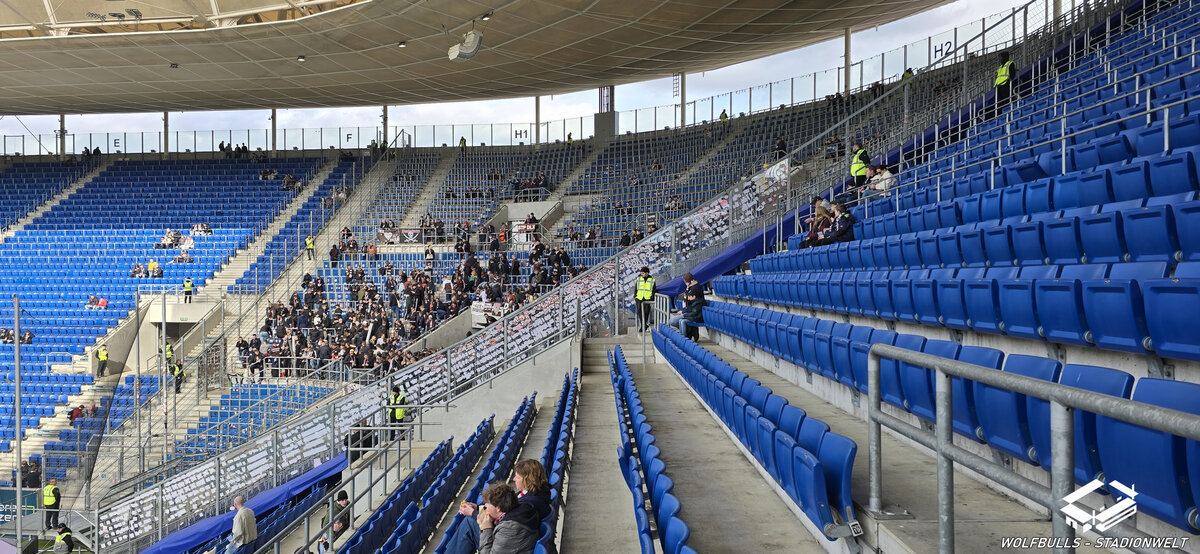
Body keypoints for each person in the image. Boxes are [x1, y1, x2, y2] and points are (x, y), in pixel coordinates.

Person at [476, 482, 538, 554]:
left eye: (487, 504)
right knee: (470, 522)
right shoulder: (519, 509)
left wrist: (486, 529)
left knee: (468, 523)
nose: (485, 507)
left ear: (498, 508)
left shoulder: (509, 528)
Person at [994, 51, 1016, 117]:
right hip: (998, 86)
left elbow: (1012, 74)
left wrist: (1007, 82)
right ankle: (1000, 116)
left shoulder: (1010, 63)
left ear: (1004, 57)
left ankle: (1006, 114)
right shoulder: (1000, 67)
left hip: (1005, 85)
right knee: (999, 103)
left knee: (1006, 101)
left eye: (1000, 57)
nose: (999, 59)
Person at [634, 266, 656, 332]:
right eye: (641, 273)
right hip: (639, 298)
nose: (642, 274)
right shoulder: (639, 279)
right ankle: (643, 325)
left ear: (647, 273)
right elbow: (636, 288)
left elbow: (653, 290)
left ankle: (644, 325)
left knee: (646, 312)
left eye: (643, 273)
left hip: (647, 298)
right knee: (640, 312)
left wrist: (652, 298)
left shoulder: (652, 280)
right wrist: (635, 296)